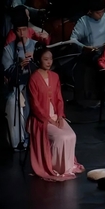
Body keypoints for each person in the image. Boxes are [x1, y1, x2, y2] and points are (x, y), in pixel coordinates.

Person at [27, 47, 85, 181]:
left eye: (51, 59)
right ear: (39, 60)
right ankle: (55, 167)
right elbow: (35, 105)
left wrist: (59, 116)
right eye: (45, 59)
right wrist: (49, 119)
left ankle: (68, 166)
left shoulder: (55, 76)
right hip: (41, 119)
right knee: (61, 137)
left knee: (71, 135)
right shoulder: (34, 79)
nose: (49, 62)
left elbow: (59, 98)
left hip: (55, 115)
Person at [3, 9, 38, 150]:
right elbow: (7, 72)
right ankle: (19, 140)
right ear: (14, 31)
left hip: (34, 85)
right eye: (18, 30)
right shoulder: (9, 49)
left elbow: (45, 67)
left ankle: (36, 138)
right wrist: (19, 66)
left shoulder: (36, 45)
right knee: (13, 103)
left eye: (24, 29)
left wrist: (35, 61)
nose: (22, 33)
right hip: (18, 86)